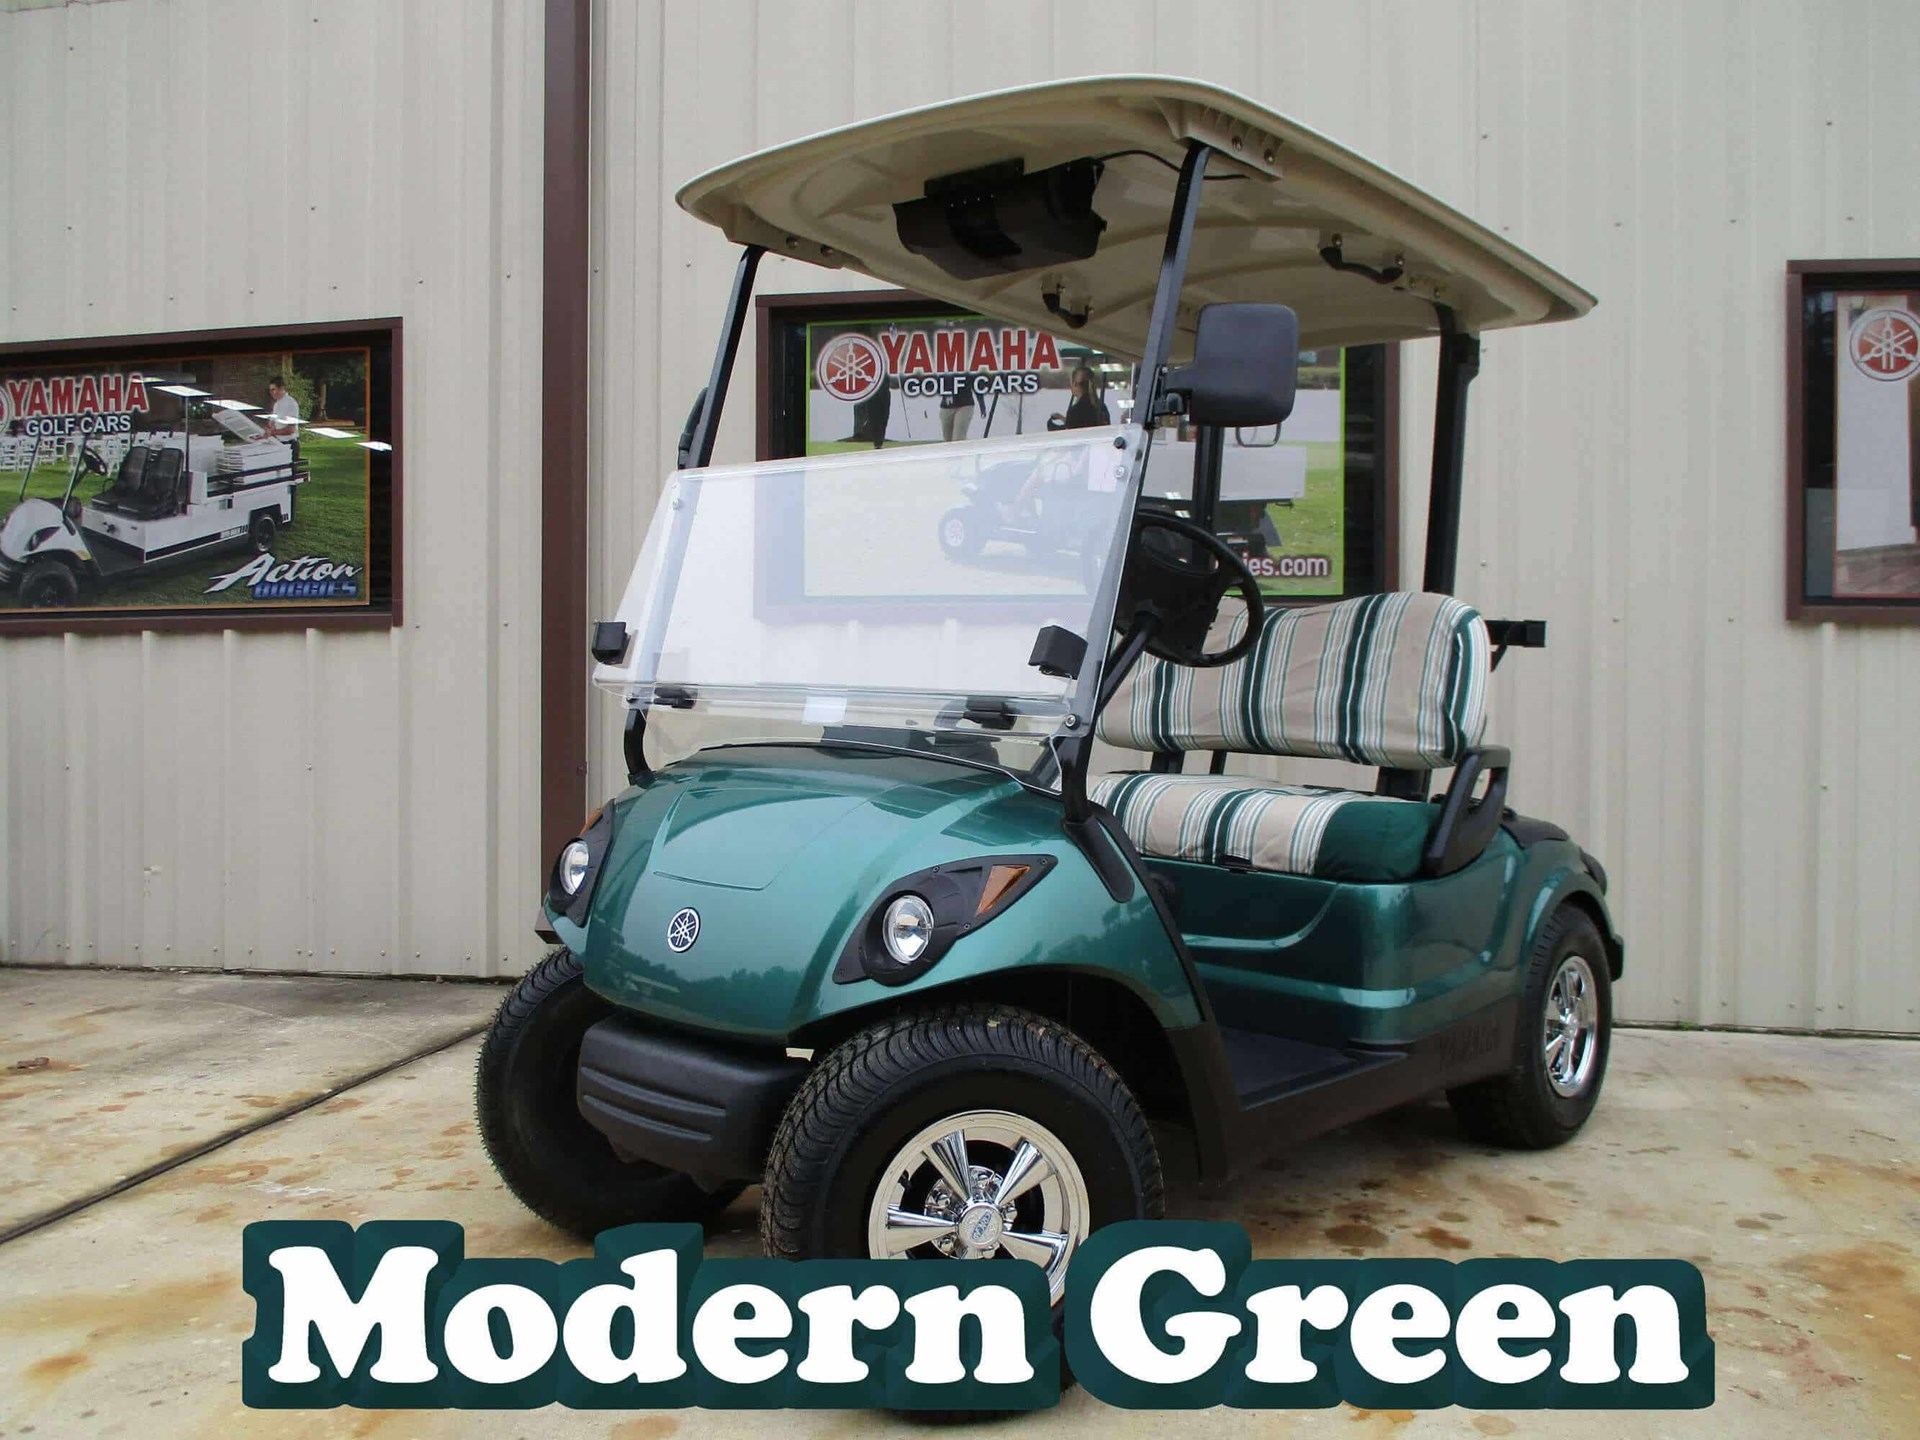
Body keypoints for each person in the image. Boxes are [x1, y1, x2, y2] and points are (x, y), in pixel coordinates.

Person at [263, 375, 301, 465]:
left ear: (281, 388)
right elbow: (272, 423)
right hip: (279, 444)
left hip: (290, 445)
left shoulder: (291, 403)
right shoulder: (277, 404)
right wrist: (268, 428)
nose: (271, 393)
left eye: (273, 389)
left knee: (288, 472)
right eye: (270, 390)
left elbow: (291, 429)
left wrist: (272, 432)